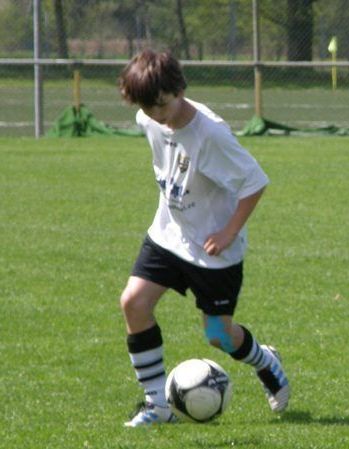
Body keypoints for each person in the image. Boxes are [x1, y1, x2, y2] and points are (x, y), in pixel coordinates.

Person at [117, 49, 289, 427]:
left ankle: (266, 361)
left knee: (219, 336)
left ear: (179, 89)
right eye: (147, 109)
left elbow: (255, 182)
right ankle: (157, 405)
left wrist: (229, 231)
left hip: (214, 249)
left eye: (161, 106)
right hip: (168, 234)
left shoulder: (210, 133)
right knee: (133, 303)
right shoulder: (148, 117)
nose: (156, 115)